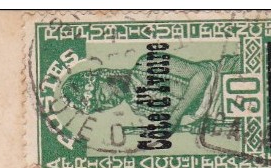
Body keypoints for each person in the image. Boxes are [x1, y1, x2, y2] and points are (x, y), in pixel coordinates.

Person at [61, 51, 242, 134]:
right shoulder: (138, 108)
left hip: (233, 77)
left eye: (102, 96)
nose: (109, 102)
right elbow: (192, 115)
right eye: (102, 106)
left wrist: (175, 117)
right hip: (226, 109)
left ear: (105, 77)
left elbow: (202, 75)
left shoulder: (146, 64)